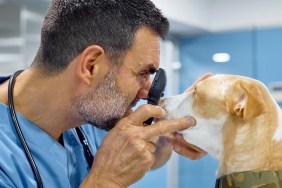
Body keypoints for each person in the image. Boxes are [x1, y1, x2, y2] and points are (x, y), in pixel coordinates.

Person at [0, 0, 209, 187]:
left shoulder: (90, 109)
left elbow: (141, 158)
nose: (146, 92)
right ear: (91, 66)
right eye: (142, 73)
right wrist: (106, 182)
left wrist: (166, 135)